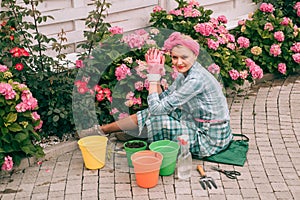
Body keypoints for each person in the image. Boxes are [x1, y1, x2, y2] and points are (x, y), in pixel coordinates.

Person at [80, 32, 233, 158]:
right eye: (174, 57)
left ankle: (134, 132)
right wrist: (157, 74)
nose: (179, 62)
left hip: (210, 138)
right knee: (155, 113)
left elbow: (157, 111)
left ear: (194, 55)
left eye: (184, 57)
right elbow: (163, 99)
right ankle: (102, 130)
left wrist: (152, 76)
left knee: (158, 118)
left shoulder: (195, 80)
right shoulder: (186, 73)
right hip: (194, 122)